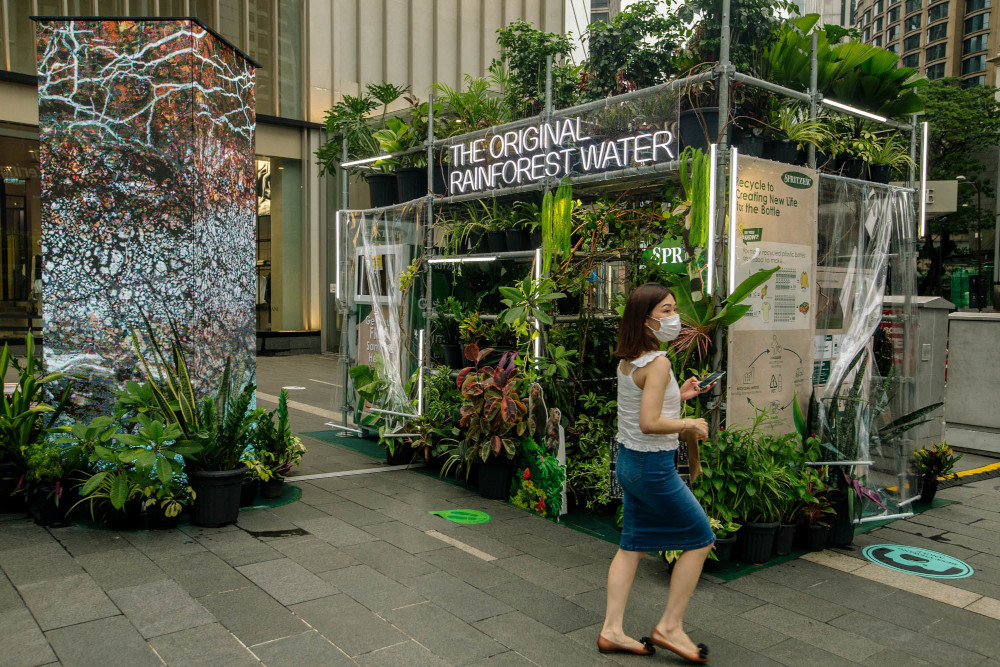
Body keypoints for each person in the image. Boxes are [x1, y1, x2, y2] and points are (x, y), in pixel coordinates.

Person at [597, 283, 716, 662]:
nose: (674, 317)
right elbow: (649, 422)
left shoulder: (631, 360)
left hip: (629, 463)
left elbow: (643, 403)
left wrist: (679, 395)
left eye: (672, 309)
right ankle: (669, 627)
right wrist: (691, 424)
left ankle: (612, 630)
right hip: (652, 468)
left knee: (631, 546)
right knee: (701, 538)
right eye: (666, 311)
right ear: (645, 319)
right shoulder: (659, 362)